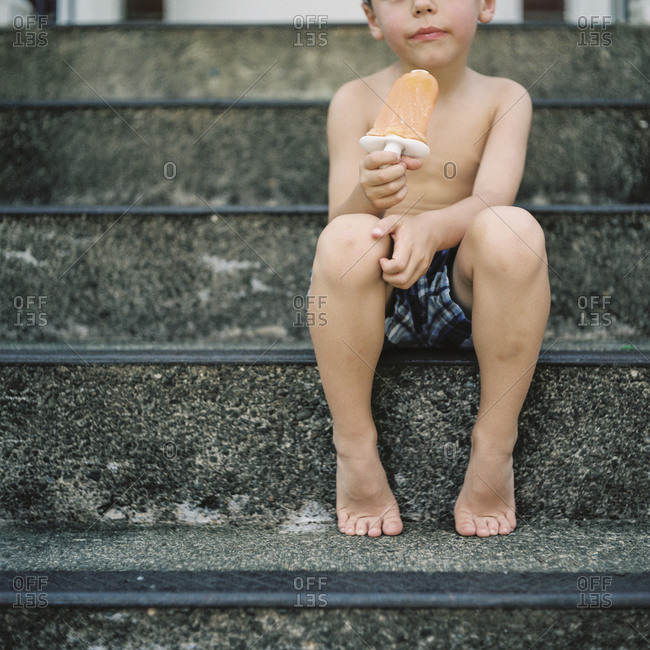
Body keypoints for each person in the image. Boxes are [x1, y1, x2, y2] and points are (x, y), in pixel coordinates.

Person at [308, 0, 550, 538]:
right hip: (376, 292)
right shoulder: (353, 100)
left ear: (487, 5)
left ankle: (494, 447)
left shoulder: (504, 98)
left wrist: (432, 228)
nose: (423, 5)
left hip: (463, 289)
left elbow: (491, 198)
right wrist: (368, 195)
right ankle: (355, 451)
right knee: (345, 239)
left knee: (515, 230)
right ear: (372, 20)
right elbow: (338, 225)